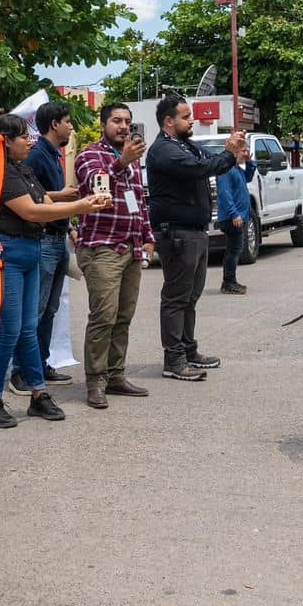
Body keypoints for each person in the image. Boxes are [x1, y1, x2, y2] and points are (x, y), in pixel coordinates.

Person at [0, 114, 111, 428]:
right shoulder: (0, 172)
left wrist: (78, 201)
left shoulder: (23, 169)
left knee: (27, 329)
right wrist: (81, 207)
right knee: (8, 331)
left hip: (28, 253)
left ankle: (38, 393)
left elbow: (45, 199)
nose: (28, 141)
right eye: (22, 137)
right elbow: (32, 211)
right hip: (6, 255)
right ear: (4, 141)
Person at [145, 95, 244, 381]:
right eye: (186, 117)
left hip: (195, 230)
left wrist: (228, 154)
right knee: (176, 297)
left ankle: (188, 350)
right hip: (177, 232)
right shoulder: (163, 150)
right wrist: (228, 154)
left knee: (191, 296)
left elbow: (209, 161)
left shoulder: (185, 145)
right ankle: (173, 360)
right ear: (168, 121)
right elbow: (202, 168)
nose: (191, 121)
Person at [73, 104, 155, 410]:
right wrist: (122, 162)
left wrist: (147, 237)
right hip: (101, 248)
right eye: (117, 121)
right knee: (103, 317)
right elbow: (97, 188)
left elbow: (139, 202)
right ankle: (95, 381)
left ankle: (116, 375)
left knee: (123, 316)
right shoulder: (90, 155)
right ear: (103, 124)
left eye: (128, 122)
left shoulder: (132, 160)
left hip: (131, 247)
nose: (123, 126)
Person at [22, 100, 81, 392]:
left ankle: (41, 364)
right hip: (43, 240)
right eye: (67, 121)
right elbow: (33, 198)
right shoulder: (35, 156)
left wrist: (69, 226)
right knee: (37, 308)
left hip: (58, 238)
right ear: (54, 124)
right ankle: (23, 371)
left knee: (50, 308)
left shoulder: (54, 154)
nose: (71, 126)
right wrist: (65, 197)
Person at [215, 139, 257, 295]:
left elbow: (247, 178)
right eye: (243, 151)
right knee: (234, 250)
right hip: (231, 217)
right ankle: (228, 282)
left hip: (239, 216)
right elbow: (225, 194)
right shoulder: (226, 169)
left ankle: (230, 280)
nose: (245, 153)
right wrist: (234, 214)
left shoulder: (237, 168)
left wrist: (250, 163)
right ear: (234, 151)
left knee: (234, 249)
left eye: (246, 150)